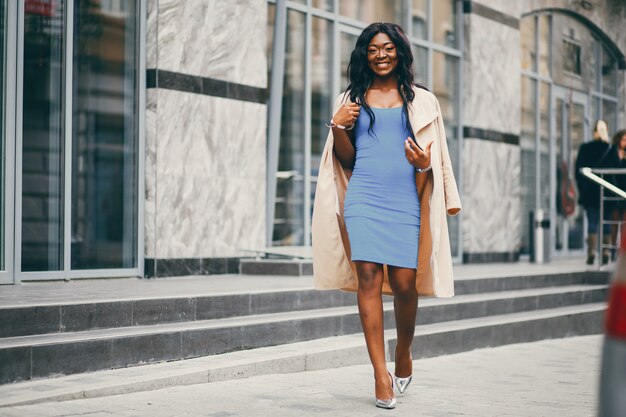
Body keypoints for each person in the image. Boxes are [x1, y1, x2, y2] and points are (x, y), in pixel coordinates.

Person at [311, 22, 461, 410]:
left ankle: (404, 352)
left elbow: (433, 160)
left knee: (406, 283)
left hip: (406, 199)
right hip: (364, 196)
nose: (380, 55)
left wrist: (425, 164)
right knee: (368, 277)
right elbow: (346, 159)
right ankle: (380, 374)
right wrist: (337, 124)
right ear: (364, 54)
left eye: (388, 48)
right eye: (373, 49)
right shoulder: (351, 98)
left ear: (400, 53)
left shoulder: (424, 101)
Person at [575, 120, 610, 264]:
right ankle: (606, 251)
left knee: (592, 222)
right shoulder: (609, 149)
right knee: (606, 222)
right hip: (607, 191)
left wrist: (582, 188)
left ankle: (592, 252)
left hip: (590, 192)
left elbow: (578, 170)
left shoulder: (585, 148)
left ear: (594, 131)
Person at [601, 129, 626, 261]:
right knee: (614, 222)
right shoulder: (612, 152)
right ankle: (611, 249)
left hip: (625, 193)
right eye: (623, 139)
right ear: (618, 140)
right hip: (614, 193)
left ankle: (621, 251)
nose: (625, 143)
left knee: (624, 223)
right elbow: (607, 169)